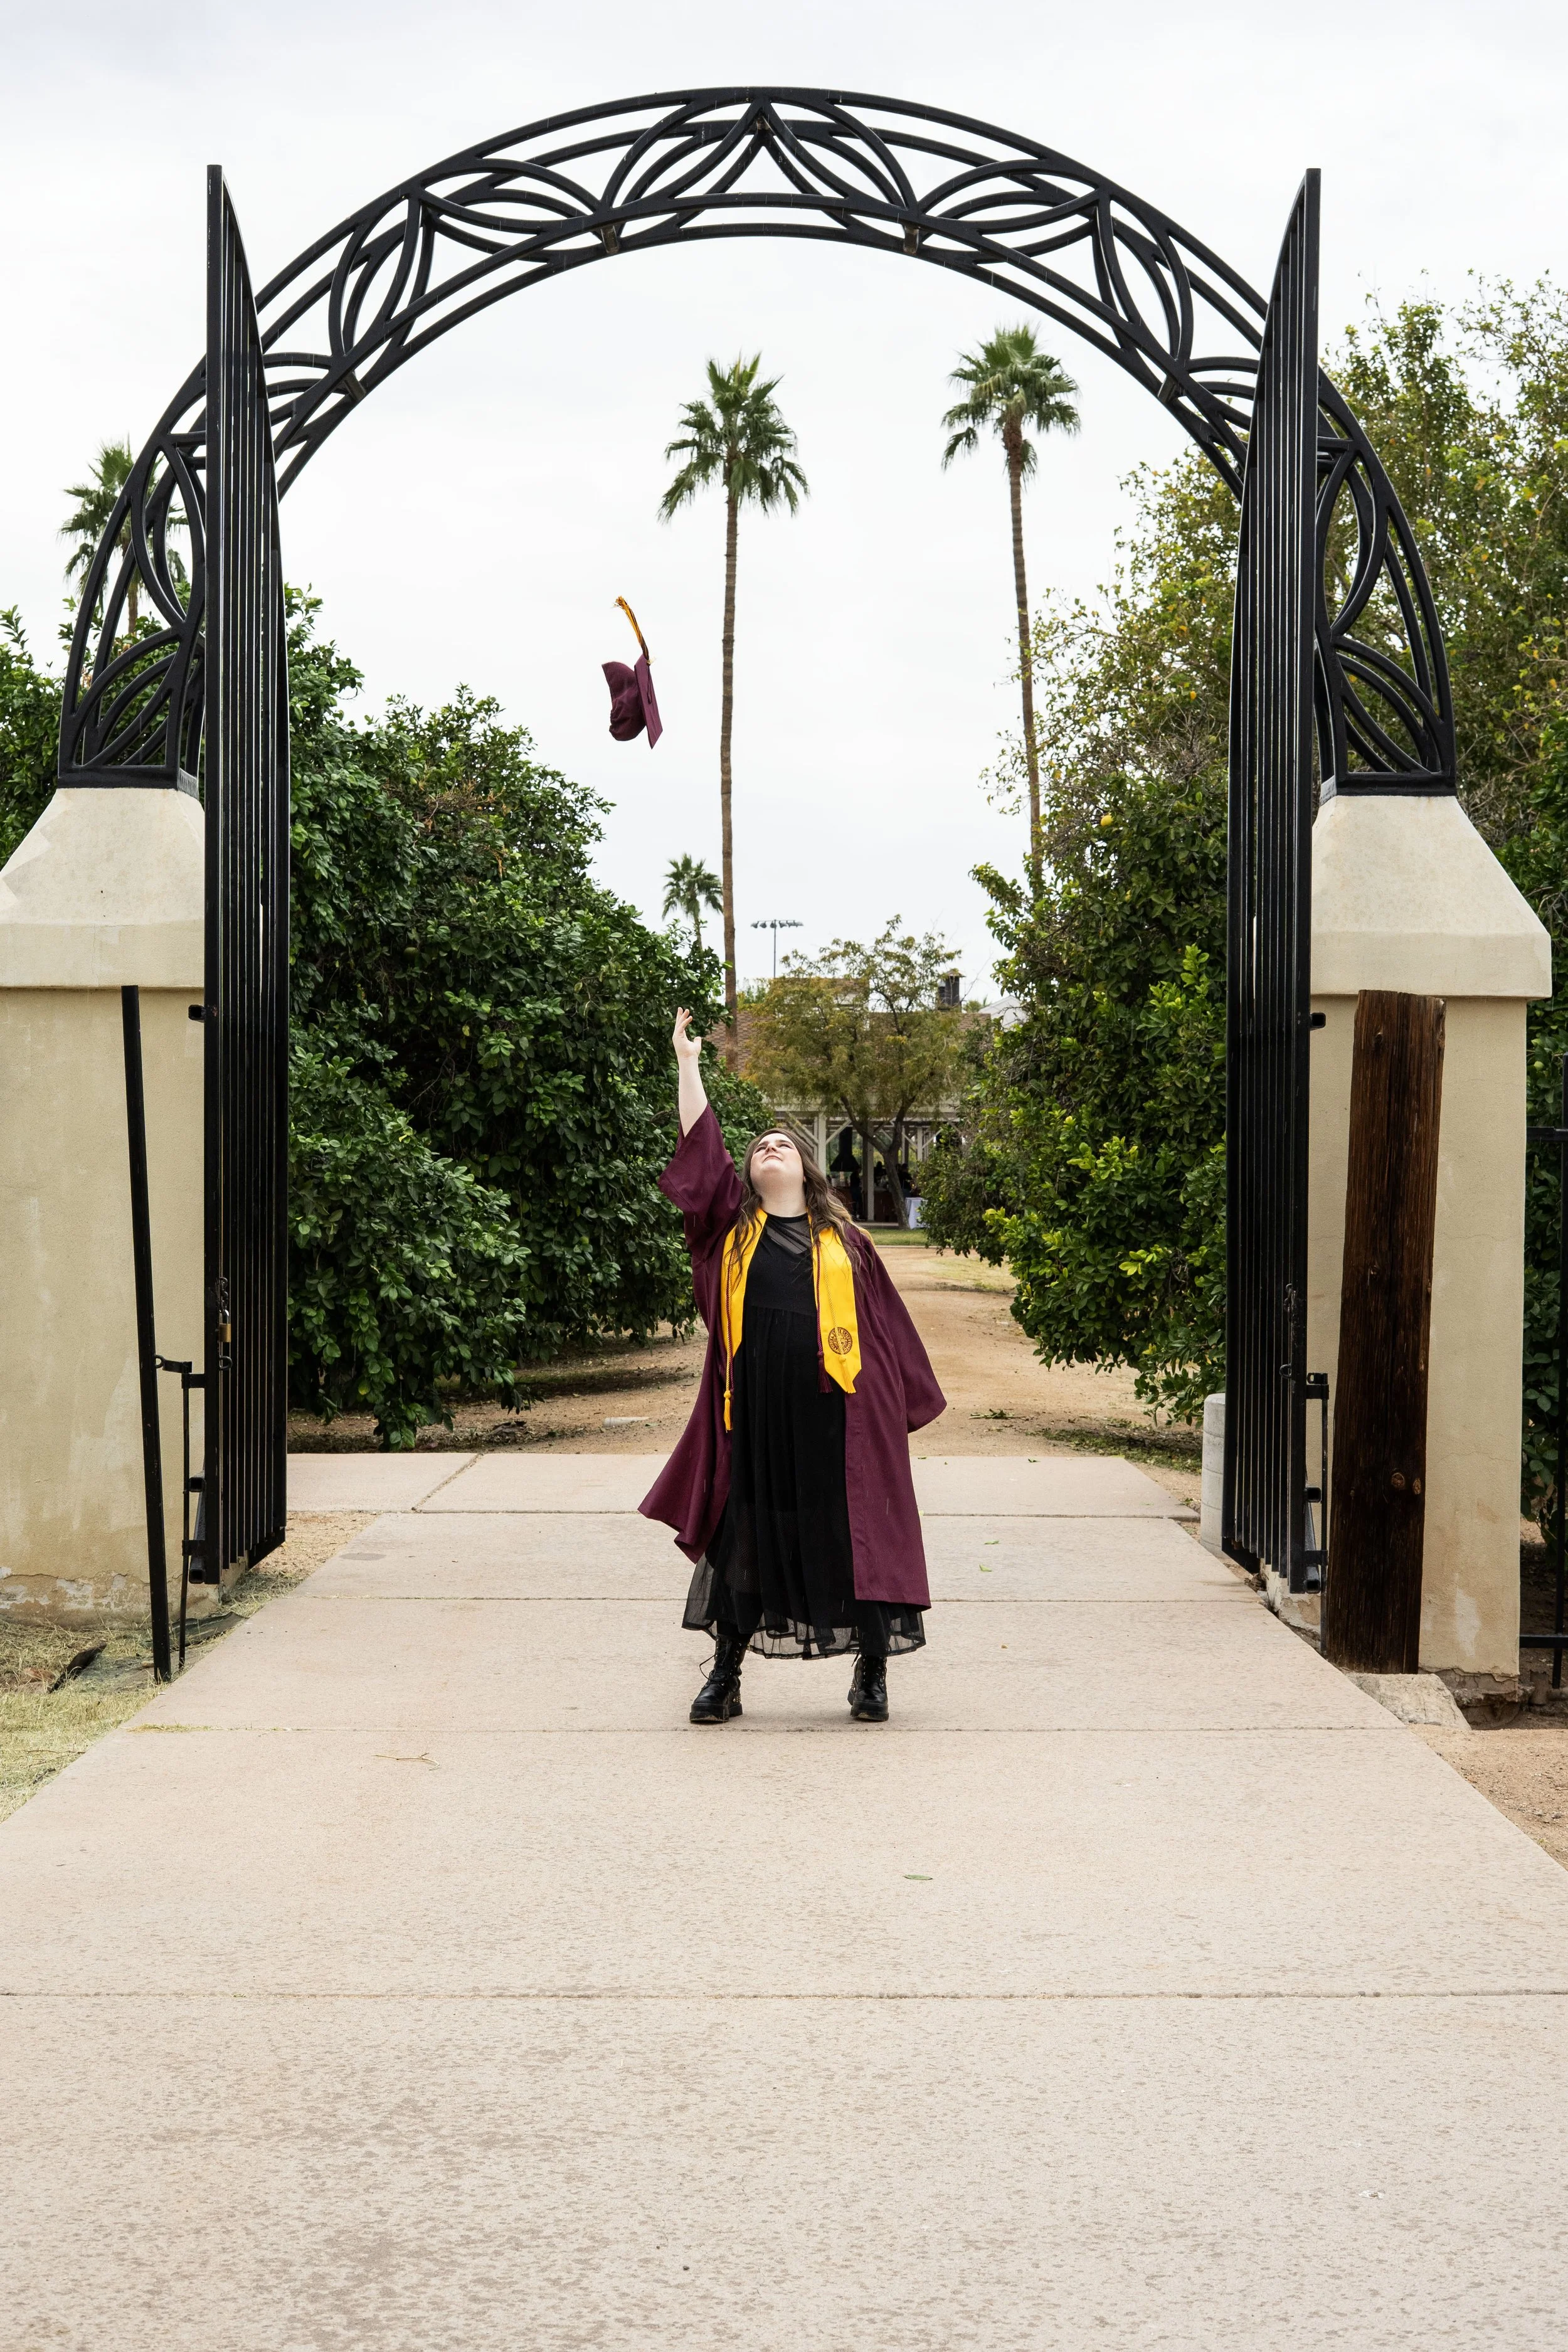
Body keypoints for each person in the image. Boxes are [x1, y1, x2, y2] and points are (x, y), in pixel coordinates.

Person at [641, 1010, 946, 1725]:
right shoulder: (728, 1233)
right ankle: (726, 1674)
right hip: (754, 1412)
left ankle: (870, 1672)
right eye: (760, 1147)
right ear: (747, 1175)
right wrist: (688, 1063)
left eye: (783, 1143)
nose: (770, 1148)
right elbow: (699, 1148)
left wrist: (895, 1409)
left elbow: (887, 1331)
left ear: (805, 1168)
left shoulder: (848, 1240)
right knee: (746, 1531)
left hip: (839, 1414)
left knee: (853, 1533)